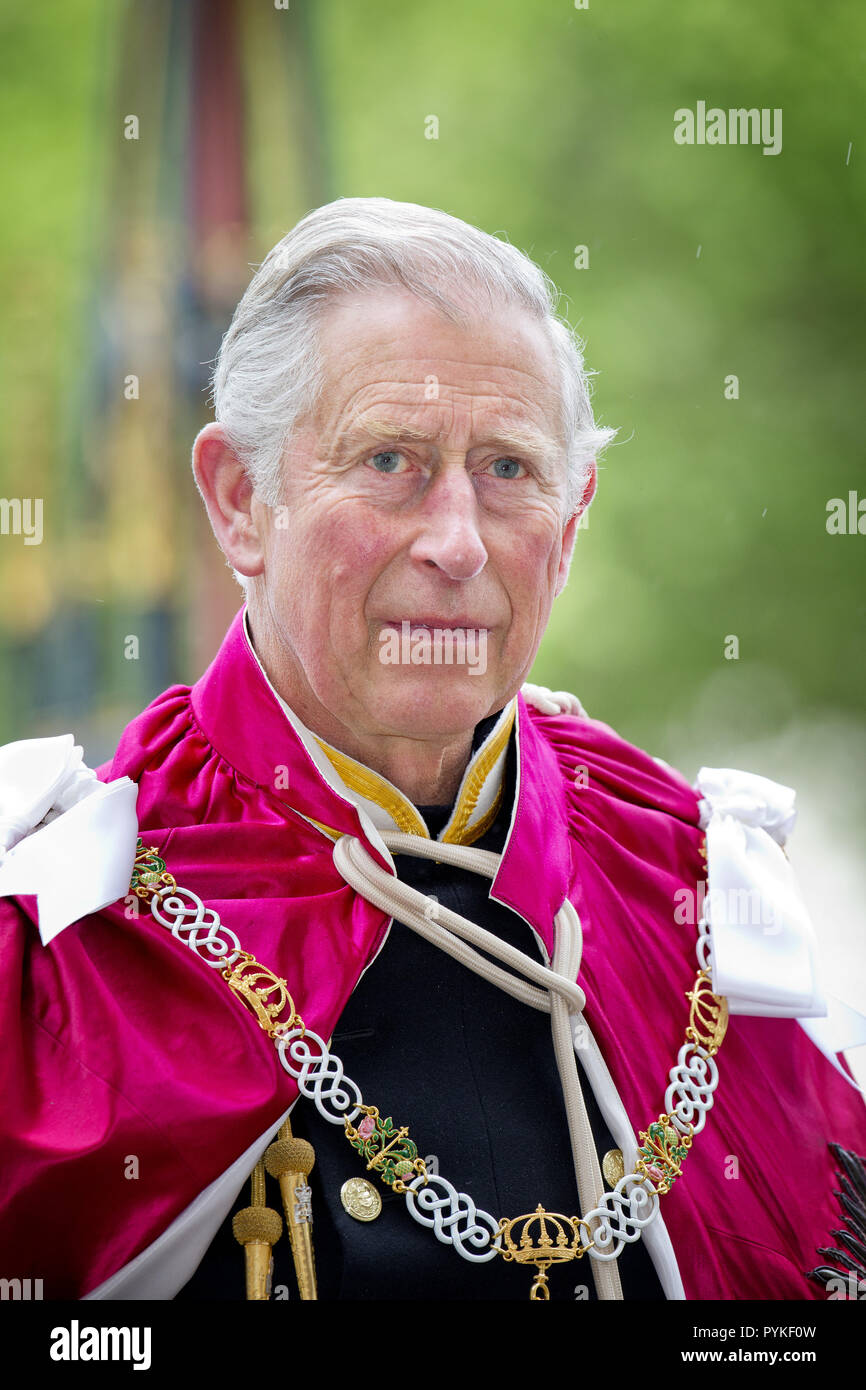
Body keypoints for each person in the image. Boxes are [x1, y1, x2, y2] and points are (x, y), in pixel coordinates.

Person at [1, 198, 863, 1303]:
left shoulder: (698, 890)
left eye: (508, 469)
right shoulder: (55, 953)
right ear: (239, 503)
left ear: (571, 517)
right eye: (389, 460)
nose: (456, 542)